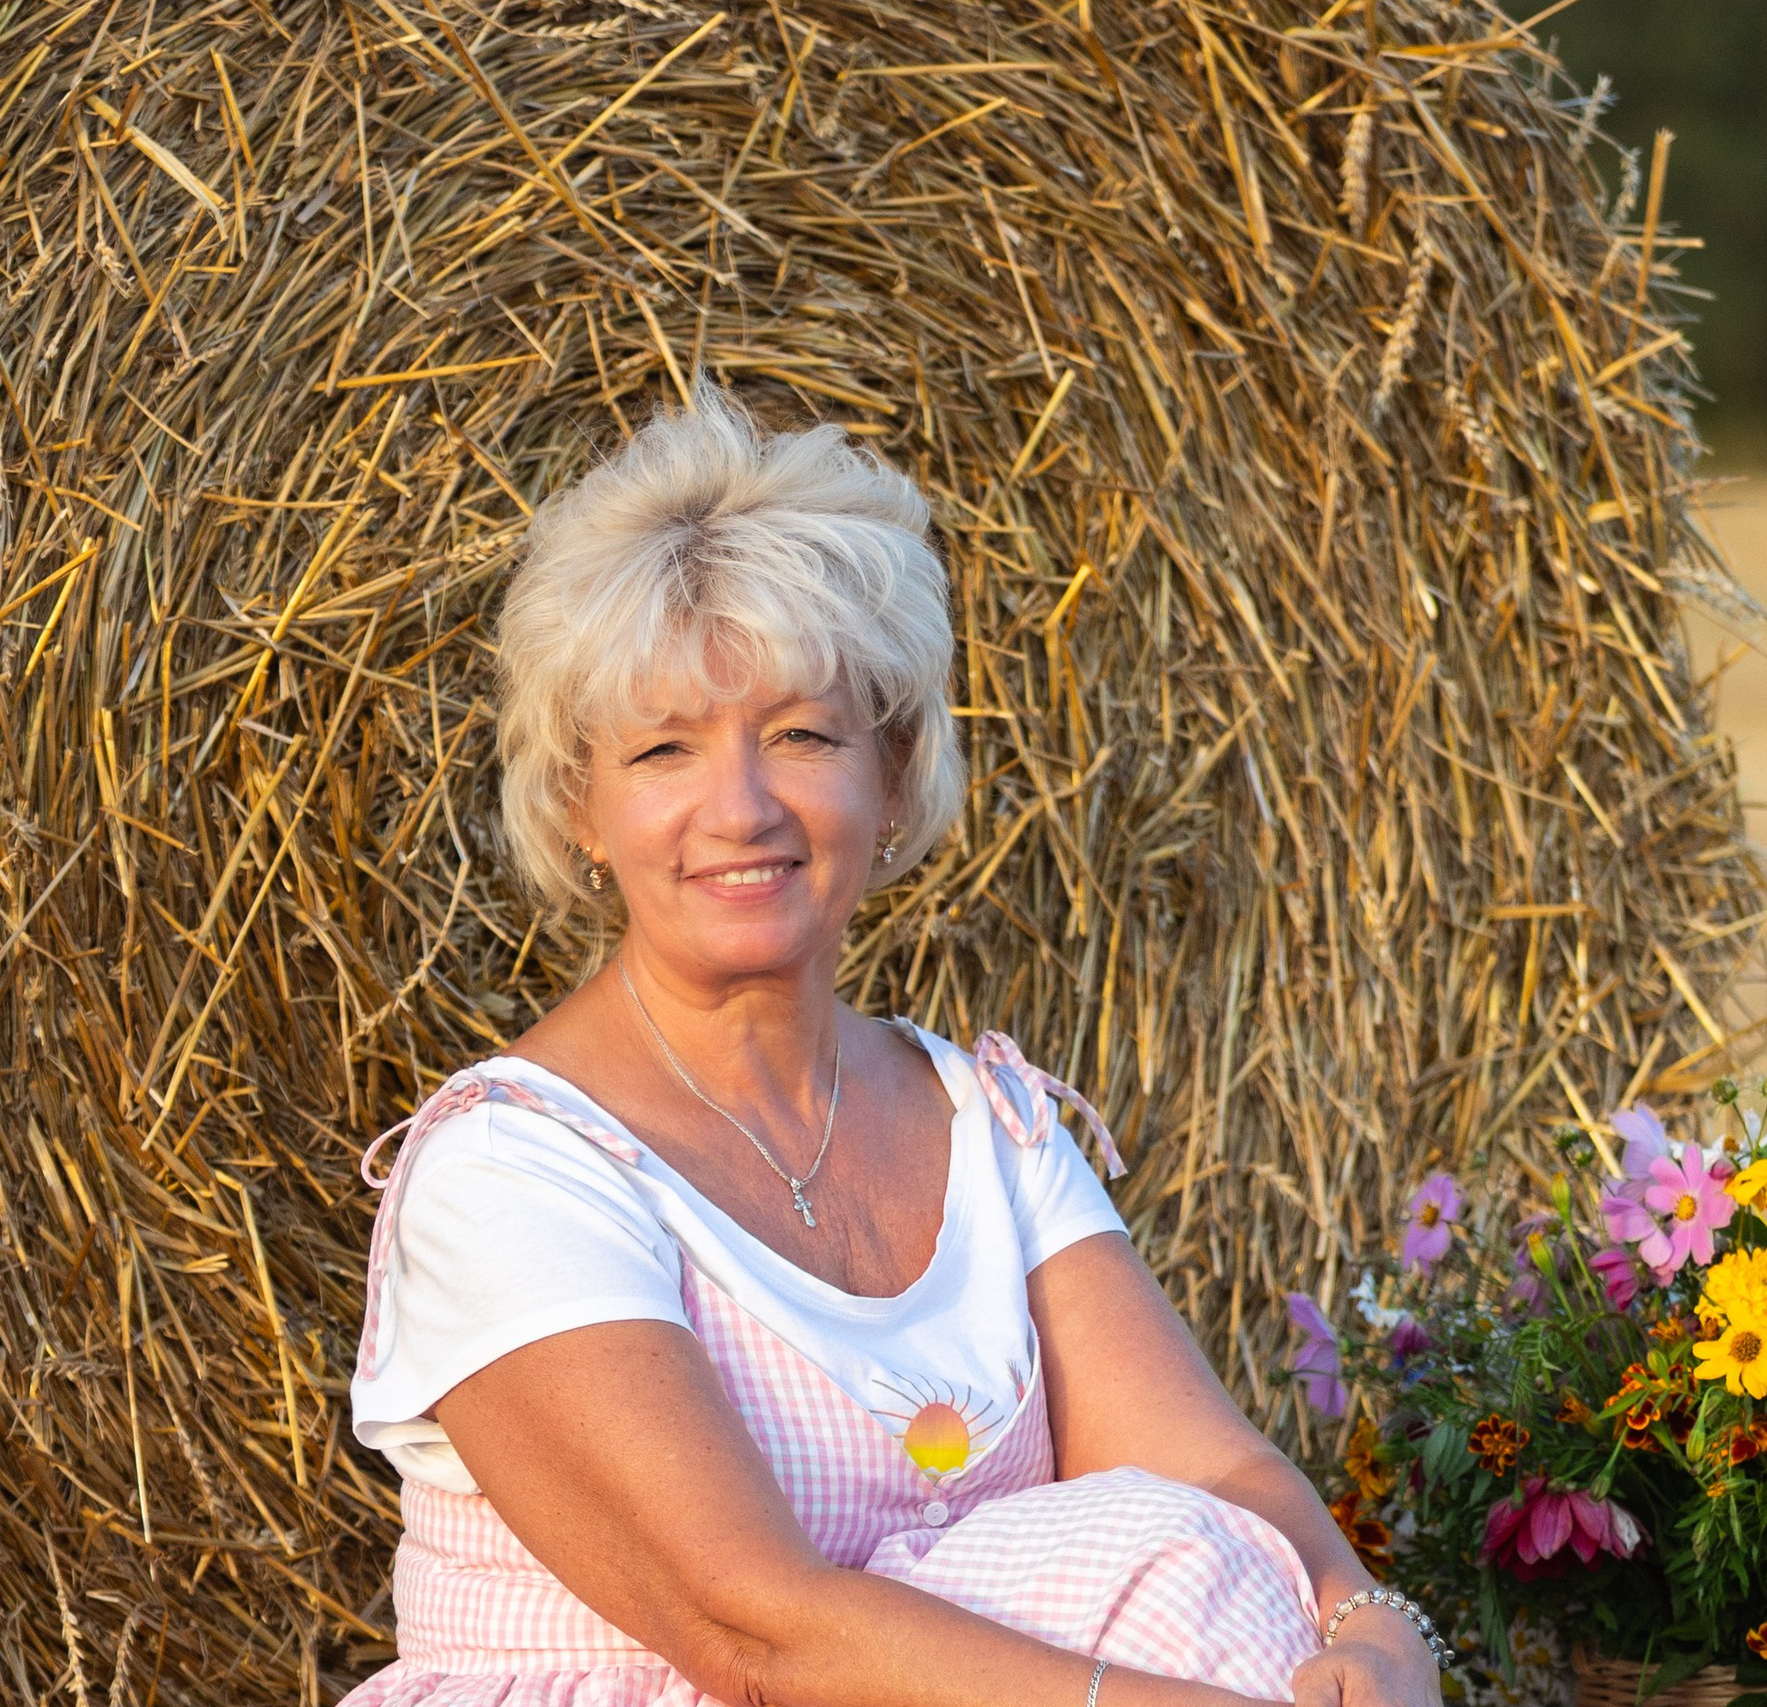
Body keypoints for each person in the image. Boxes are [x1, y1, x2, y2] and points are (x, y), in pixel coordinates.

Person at [344, 387, 1446, 1707]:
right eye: (662, 751)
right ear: (581, 806)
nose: (741, 807)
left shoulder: (983, 1120)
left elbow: (1217, 1477)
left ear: (895, 769)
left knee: (1200, 1557)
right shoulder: (516, 1173)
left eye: (802, 736)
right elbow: (756, 1635)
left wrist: (1366, 1627)